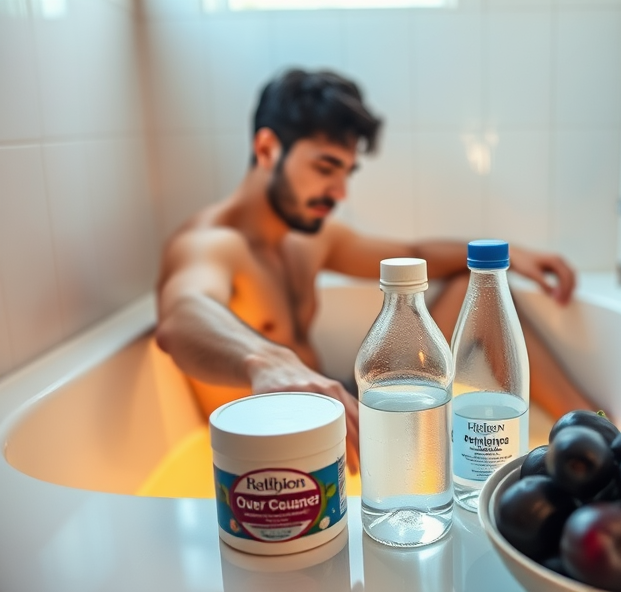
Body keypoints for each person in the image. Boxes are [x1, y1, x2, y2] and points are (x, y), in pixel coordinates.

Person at [154, 68, 597, 474]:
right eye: (326, 167)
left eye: (347, 171)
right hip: (275, 452)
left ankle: (589, 427)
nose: (340, 191)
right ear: (268, 148)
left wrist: (509, 254)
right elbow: (182, 316)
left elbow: (412, 253)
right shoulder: (211, 244)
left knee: (474, 284)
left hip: (347, 413)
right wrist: (269, 361)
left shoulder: (310, 239)